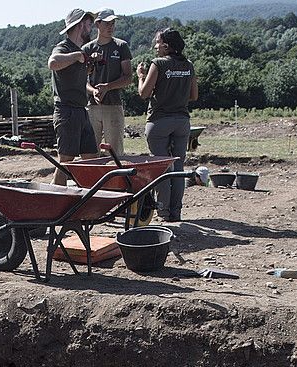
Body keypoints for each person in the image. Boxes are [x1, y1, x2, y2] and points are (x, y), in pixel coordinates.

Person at [136, 29, 197, 223]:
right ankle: (176, 212)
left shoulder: (158, 64)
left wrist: (140, 77)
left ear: (166, 45)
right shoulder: (188, 65)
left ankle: (163, 212)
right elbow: (193, 96)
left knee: (162, 169)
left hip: (159, 122)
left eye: (157, 42)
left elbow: (144, 93)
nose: (155, 46)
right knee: (178, 168)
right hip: (182, 122)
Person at [48, 8, 100, 185]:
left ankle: (86, 202)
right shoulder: (64, 48)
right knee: (66, 162)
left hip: (80, 110)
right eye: (88, 23)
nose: (91, 27)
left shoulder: (79, 50)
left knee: (91, 158)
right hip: (66, 111)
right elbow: (53, 63)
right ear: (79, 25)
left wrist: (89, 64)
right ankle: (54, 205)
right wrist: (77, 56)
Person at [81, 10, 133, 158]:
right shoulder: (87, 49)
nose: (111, 27)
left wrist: (107, 87)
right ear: (98, 24)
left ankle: (116, 180)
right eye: (107, 23)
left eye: (113, 23)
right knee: (90, 152)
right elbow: (81, 80)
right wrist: (94, 91)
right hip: (92, 106)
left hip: (114, 105)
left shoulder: (121, 46)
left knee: (115, 152)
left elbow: (128, 77)